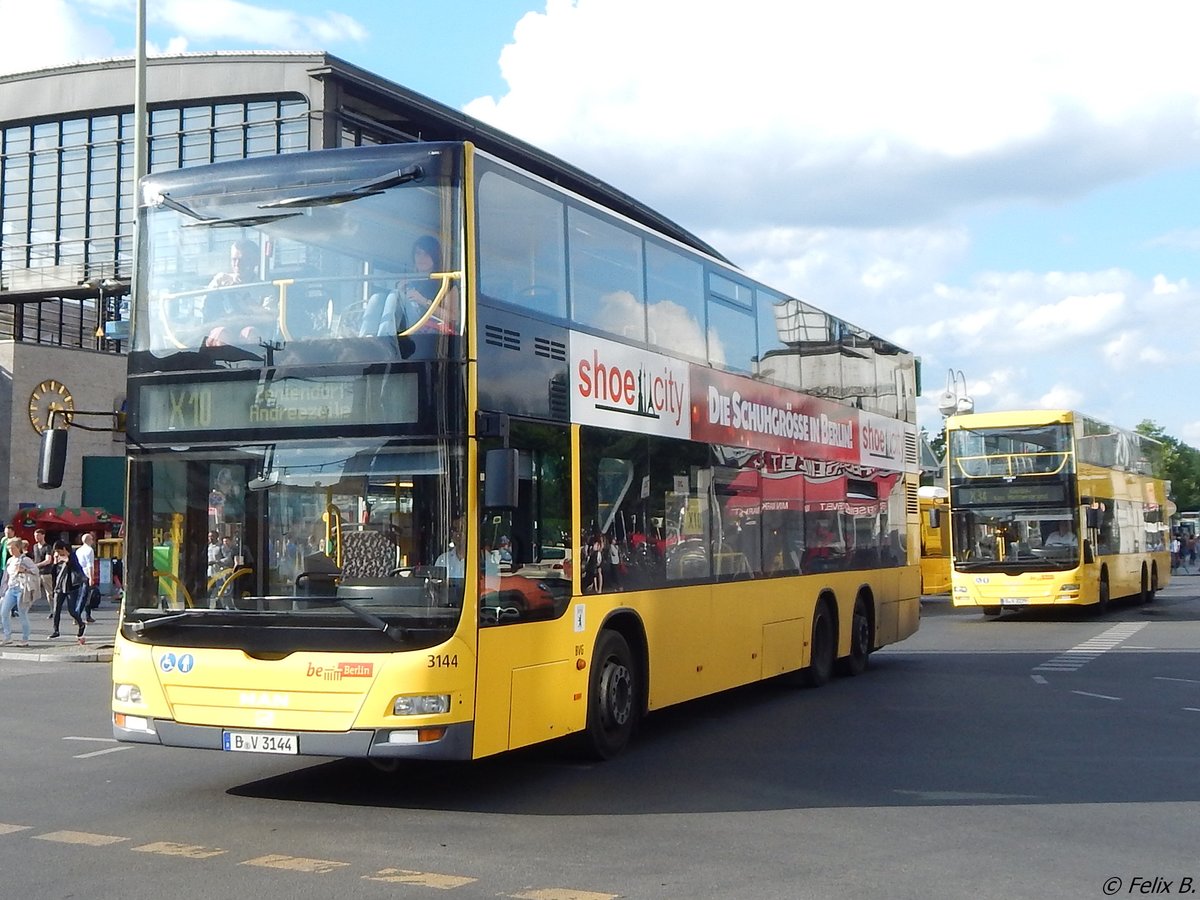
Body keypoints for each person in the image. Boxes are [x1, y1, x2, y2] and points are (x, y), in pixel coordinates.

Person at [360, 235, 454, 337]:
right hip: (403, 324)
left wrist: (423, 301)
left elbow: (453, 318)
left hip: (425, 327)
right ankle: (365, 338)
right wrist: (400, 290)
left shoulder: (446, 282)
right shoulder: (410, 280)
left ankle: (384, 338)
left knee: (395, 296)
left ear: (435, 257)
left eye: (426, 254)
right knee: (377, 297)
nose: (421, 258)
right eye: (418, 253)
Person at [1, 536, 39, 646]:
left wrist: (24, 570)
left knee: (22, 613)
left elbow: (35, 570)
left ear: (18, 547)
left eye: (12, 548)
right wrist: (3, 590)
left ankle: (25, 639)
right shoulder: (10, 560)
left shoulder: (25, 559)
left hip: (22, 589)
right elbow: (6, 576)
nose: (10, 550)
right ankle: (7, 636)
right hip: (11, 588)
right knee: (3, 612)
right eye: (9, 548)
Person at [49, 540, 88, 644]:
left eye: (59, 551)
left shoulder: (73, 556)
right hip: (59, 586)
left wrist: (67, 558)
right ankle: (56, 630)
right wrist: (55, 563)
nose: (58, 553)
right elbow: (53, 572)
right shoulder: (57, 557)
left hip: (71, 587)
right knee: (56, 609)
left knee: (72, 610)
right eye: (56, 551)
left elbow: (76, 568)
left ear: (64, 549)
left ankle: (81, 624)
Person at [75, 532, 98, 624]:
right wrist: (91, 577)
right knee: (84, 596)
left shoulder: (78, 550)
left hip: (79, 575)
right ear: (89, 540)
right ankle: (77, 615)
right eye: (92, 539)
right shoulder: (90, 550)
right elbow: (90, 565)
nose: (93, 541)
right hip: (86, 574)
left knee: (84, 595)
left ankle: (88, 616)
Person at [31, 528, 55, 616]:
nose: (36, 537)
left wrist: (37, 565)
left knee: (49, 593)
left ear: (43, 535)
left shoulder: (47, 547)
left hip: (46, 573)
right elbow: (34, 558)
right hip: (36, 573)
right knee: (31, 591)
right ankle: (26, 608)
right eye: (35, 536)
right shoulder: (35, 547)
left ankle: (53, 610)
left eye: (38, 535)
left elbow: (48, 560)